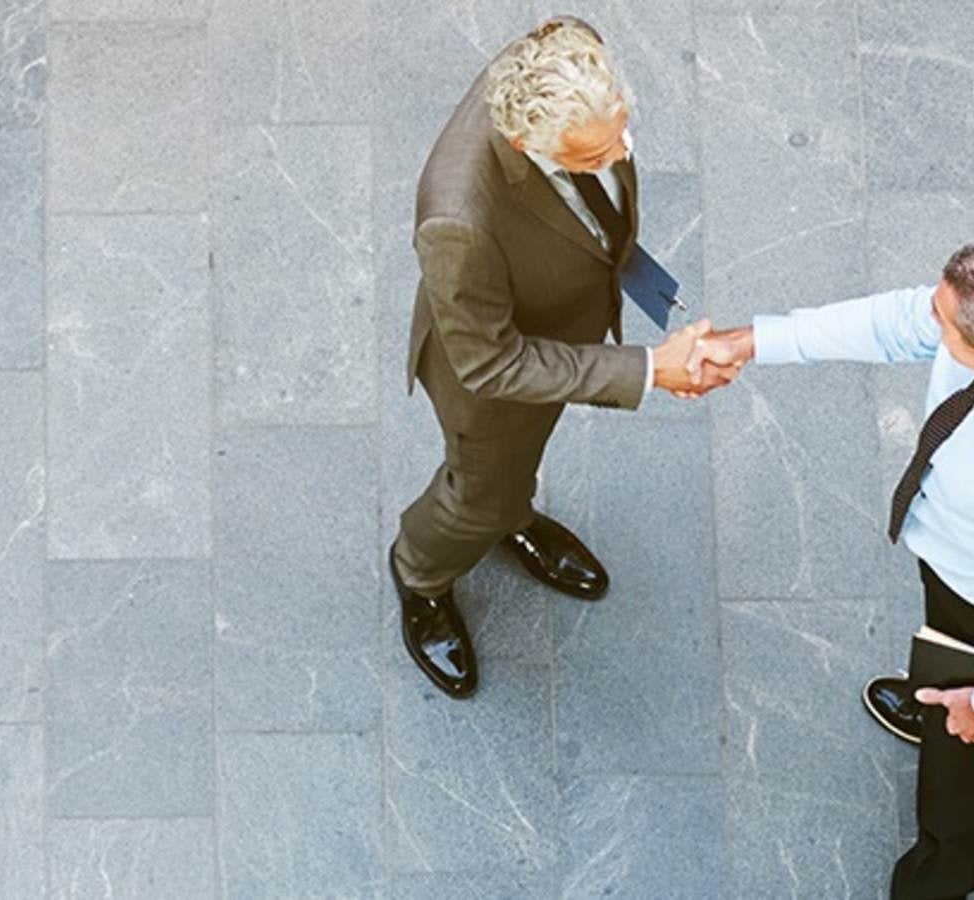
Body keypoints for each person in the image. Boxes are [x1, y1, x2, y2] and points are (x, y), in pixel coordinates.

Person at [388, 15, 740, 700]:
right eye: (588, 160)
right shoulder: (457, 219)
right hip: (493, 380)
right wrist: (648, 370)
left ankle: (513, 518)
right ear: (524, 143)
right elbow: (489, 364)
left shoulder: (567, 47)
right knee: (475, 492)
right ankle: (422, 573)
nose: (615, 159)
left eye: (621, 138)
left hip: (557, 317)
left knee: (515, 472)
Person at [691, 244, 974, 899]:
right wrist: (751, 342)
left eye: (943, 322)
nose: (926, 321)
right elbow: (892, 322)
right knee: (946, 650)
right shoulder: (954, 318)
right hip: (956, 571)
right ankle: (941, 705)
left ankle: (937, 878)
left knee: (955, 800)